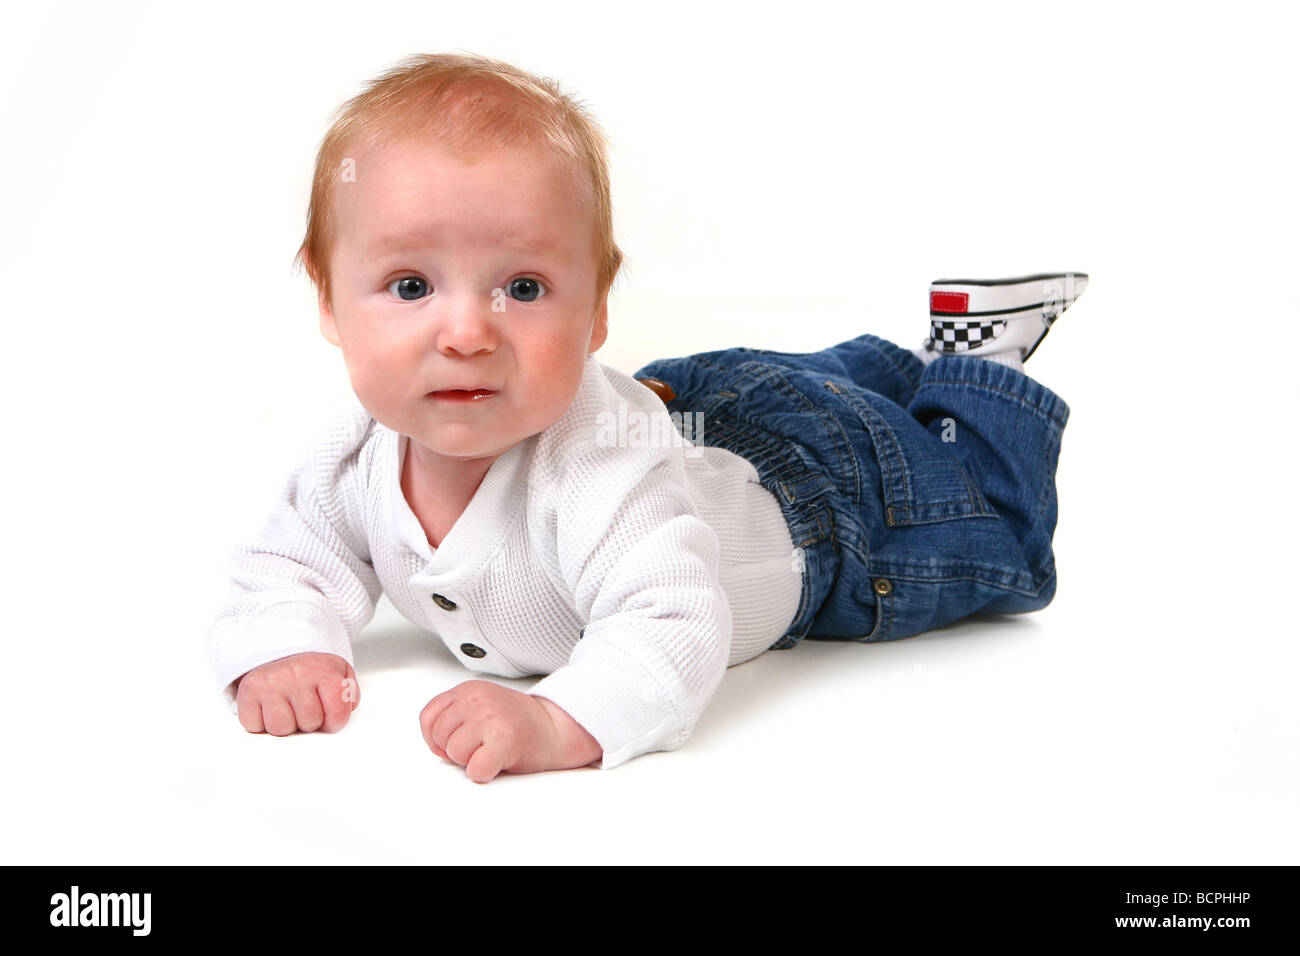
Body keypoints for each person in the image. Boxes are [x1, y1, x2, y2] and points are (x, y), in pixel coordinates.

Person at [206, 52, 1086, 782]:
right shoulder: (351, 453)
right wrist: (286, 645)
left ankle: (973, 362)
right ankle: (891, 371)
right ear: (328, 300)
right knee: (791, 395)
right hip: (689, 410)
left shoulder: (599, 473)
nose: (468, 332)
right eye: (409, 286)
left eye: (524, 288)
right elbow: (289, 561)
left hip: (822, 509)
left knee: (990, 532)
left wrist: (559, 719)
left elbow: (670, 622)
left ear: (595, 311)